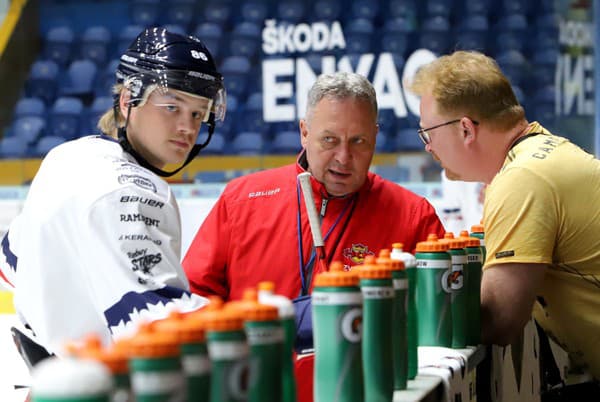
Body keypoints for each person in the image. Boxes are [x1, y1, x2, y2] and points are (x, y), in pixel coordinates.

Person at [0, 27, 226, 358]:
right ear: (127, 100)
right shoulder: (132, 191)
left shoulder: (67, 156)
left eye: (198, 113)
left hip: (52, 378)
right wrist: (278, 319)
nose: (187, 127)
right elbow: (159, 324)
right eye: (171, 107)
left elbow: (11, 266)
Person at [409, 50, 600, 385]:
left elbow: (499, 320)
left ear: (466, 129)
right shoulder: (543, 151)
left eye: (429, 133)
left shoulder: (521, 178)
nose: (428, 147)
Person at [182, 71, 445, 301]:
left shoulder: (414, 217)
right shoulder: (242, 200)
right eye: (329, 139)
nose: (343, 157)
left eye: (358, 141)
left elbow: (439, 314)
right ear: (304, 133)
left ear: (375, 137)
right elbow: (193, 296)